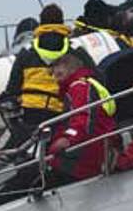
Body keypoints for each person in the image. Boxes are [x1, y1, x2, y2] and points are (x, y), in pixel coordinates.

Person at [46, 48, 118, 184]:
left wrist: (67, 139)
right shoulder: (85, 84)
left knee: (36, 177)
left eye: (59, 66)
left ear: (72, 66)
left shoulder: (78, 87)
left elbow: (83, 118)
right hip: (97, 145)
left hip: (86, 157)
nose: (54, 72)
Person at [4, 3, 71, 129]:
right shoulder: (75, 50)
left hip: (31, 115)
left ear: (41, 24)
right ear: (62, 23)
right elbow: (94, 77)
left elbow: (12, 88)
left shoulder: (26, 52)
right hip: (62, 115)